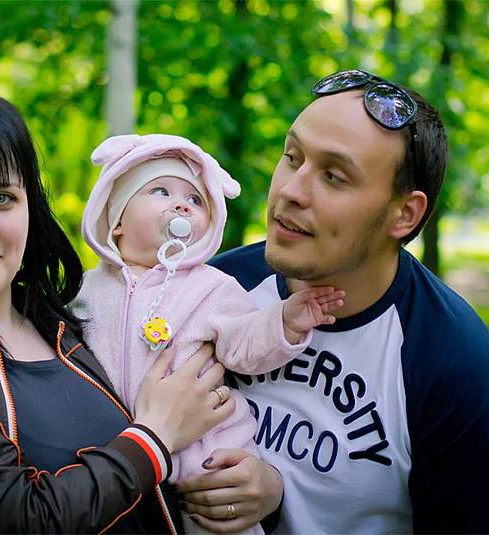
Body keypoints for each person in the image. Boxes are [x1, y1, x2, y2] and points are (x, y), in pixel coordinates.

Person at [0, 91, 281, 534]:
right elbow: (21, 519)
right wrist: (155, 437)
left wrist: (264, 489)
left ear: (30, 207)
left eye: (1, 198)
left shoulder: (72, 319)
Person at [178, 70, 489, 533]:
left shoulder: (454, 362)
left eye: (334, 177)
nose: (291, 191)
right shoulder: (215, 289)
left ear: (404, 214)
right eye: (292, 158)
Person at [72, 134, 345, 534]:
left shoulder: (211, 287)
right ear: (115, 222)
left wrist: (284, 322)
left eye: (196, 199)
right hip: (123, 448)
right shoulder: (86, 291)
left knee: (215, 513)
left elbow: (243, 343)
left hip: (205, 451)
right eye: (160, 191)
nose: (182, 205)